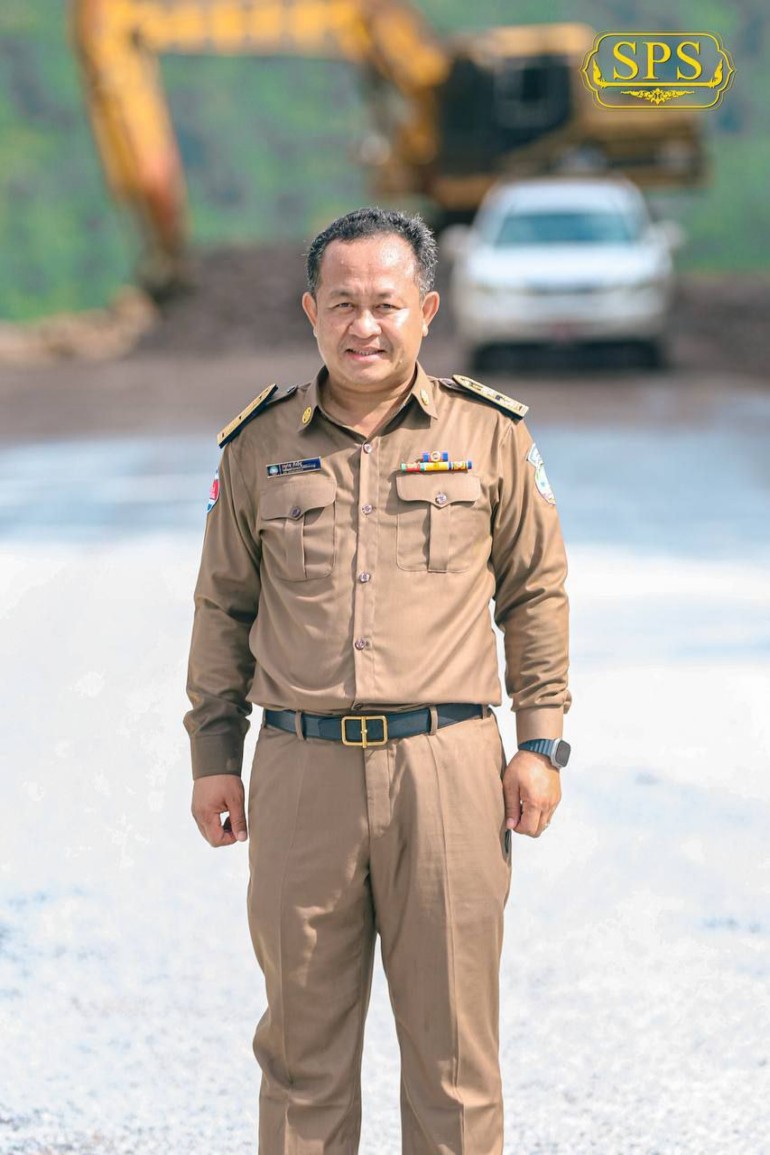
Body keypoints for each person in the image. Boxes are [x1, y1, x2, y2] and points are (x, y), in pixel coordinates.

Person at [184, 206, 571, 1155]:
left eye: (386, 304)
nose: (365, 325)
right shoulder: (257, 445)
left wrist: (540, 742)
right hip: (301, 770)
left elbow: (535, 592)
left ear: (426, 310)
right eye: (343, 304)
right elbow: (223, 608)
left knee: (454, 1061)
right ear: (310, 310)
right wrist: (213, 754)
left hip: (448, 771)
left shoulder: (490, 435)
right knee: (300, 1058)